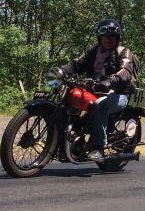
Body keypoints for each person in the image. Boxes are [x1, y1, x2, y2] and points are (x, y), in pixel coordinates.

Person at [47, 18, 137, 161]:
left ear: (117, 38)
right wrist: (61, 71)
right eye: (105, 36)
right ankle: (60, 144)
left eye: (112, 36)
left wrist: (111, 80)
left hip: (118, 94)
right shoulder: (94, 51)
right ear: (100, 37)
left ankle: (97, 148)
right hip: (94, 90)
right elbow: (77, 64)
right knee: (67, 100)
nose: (108, 39)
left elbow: (125, 71)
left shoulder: (123, 52)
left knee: (101, 104)